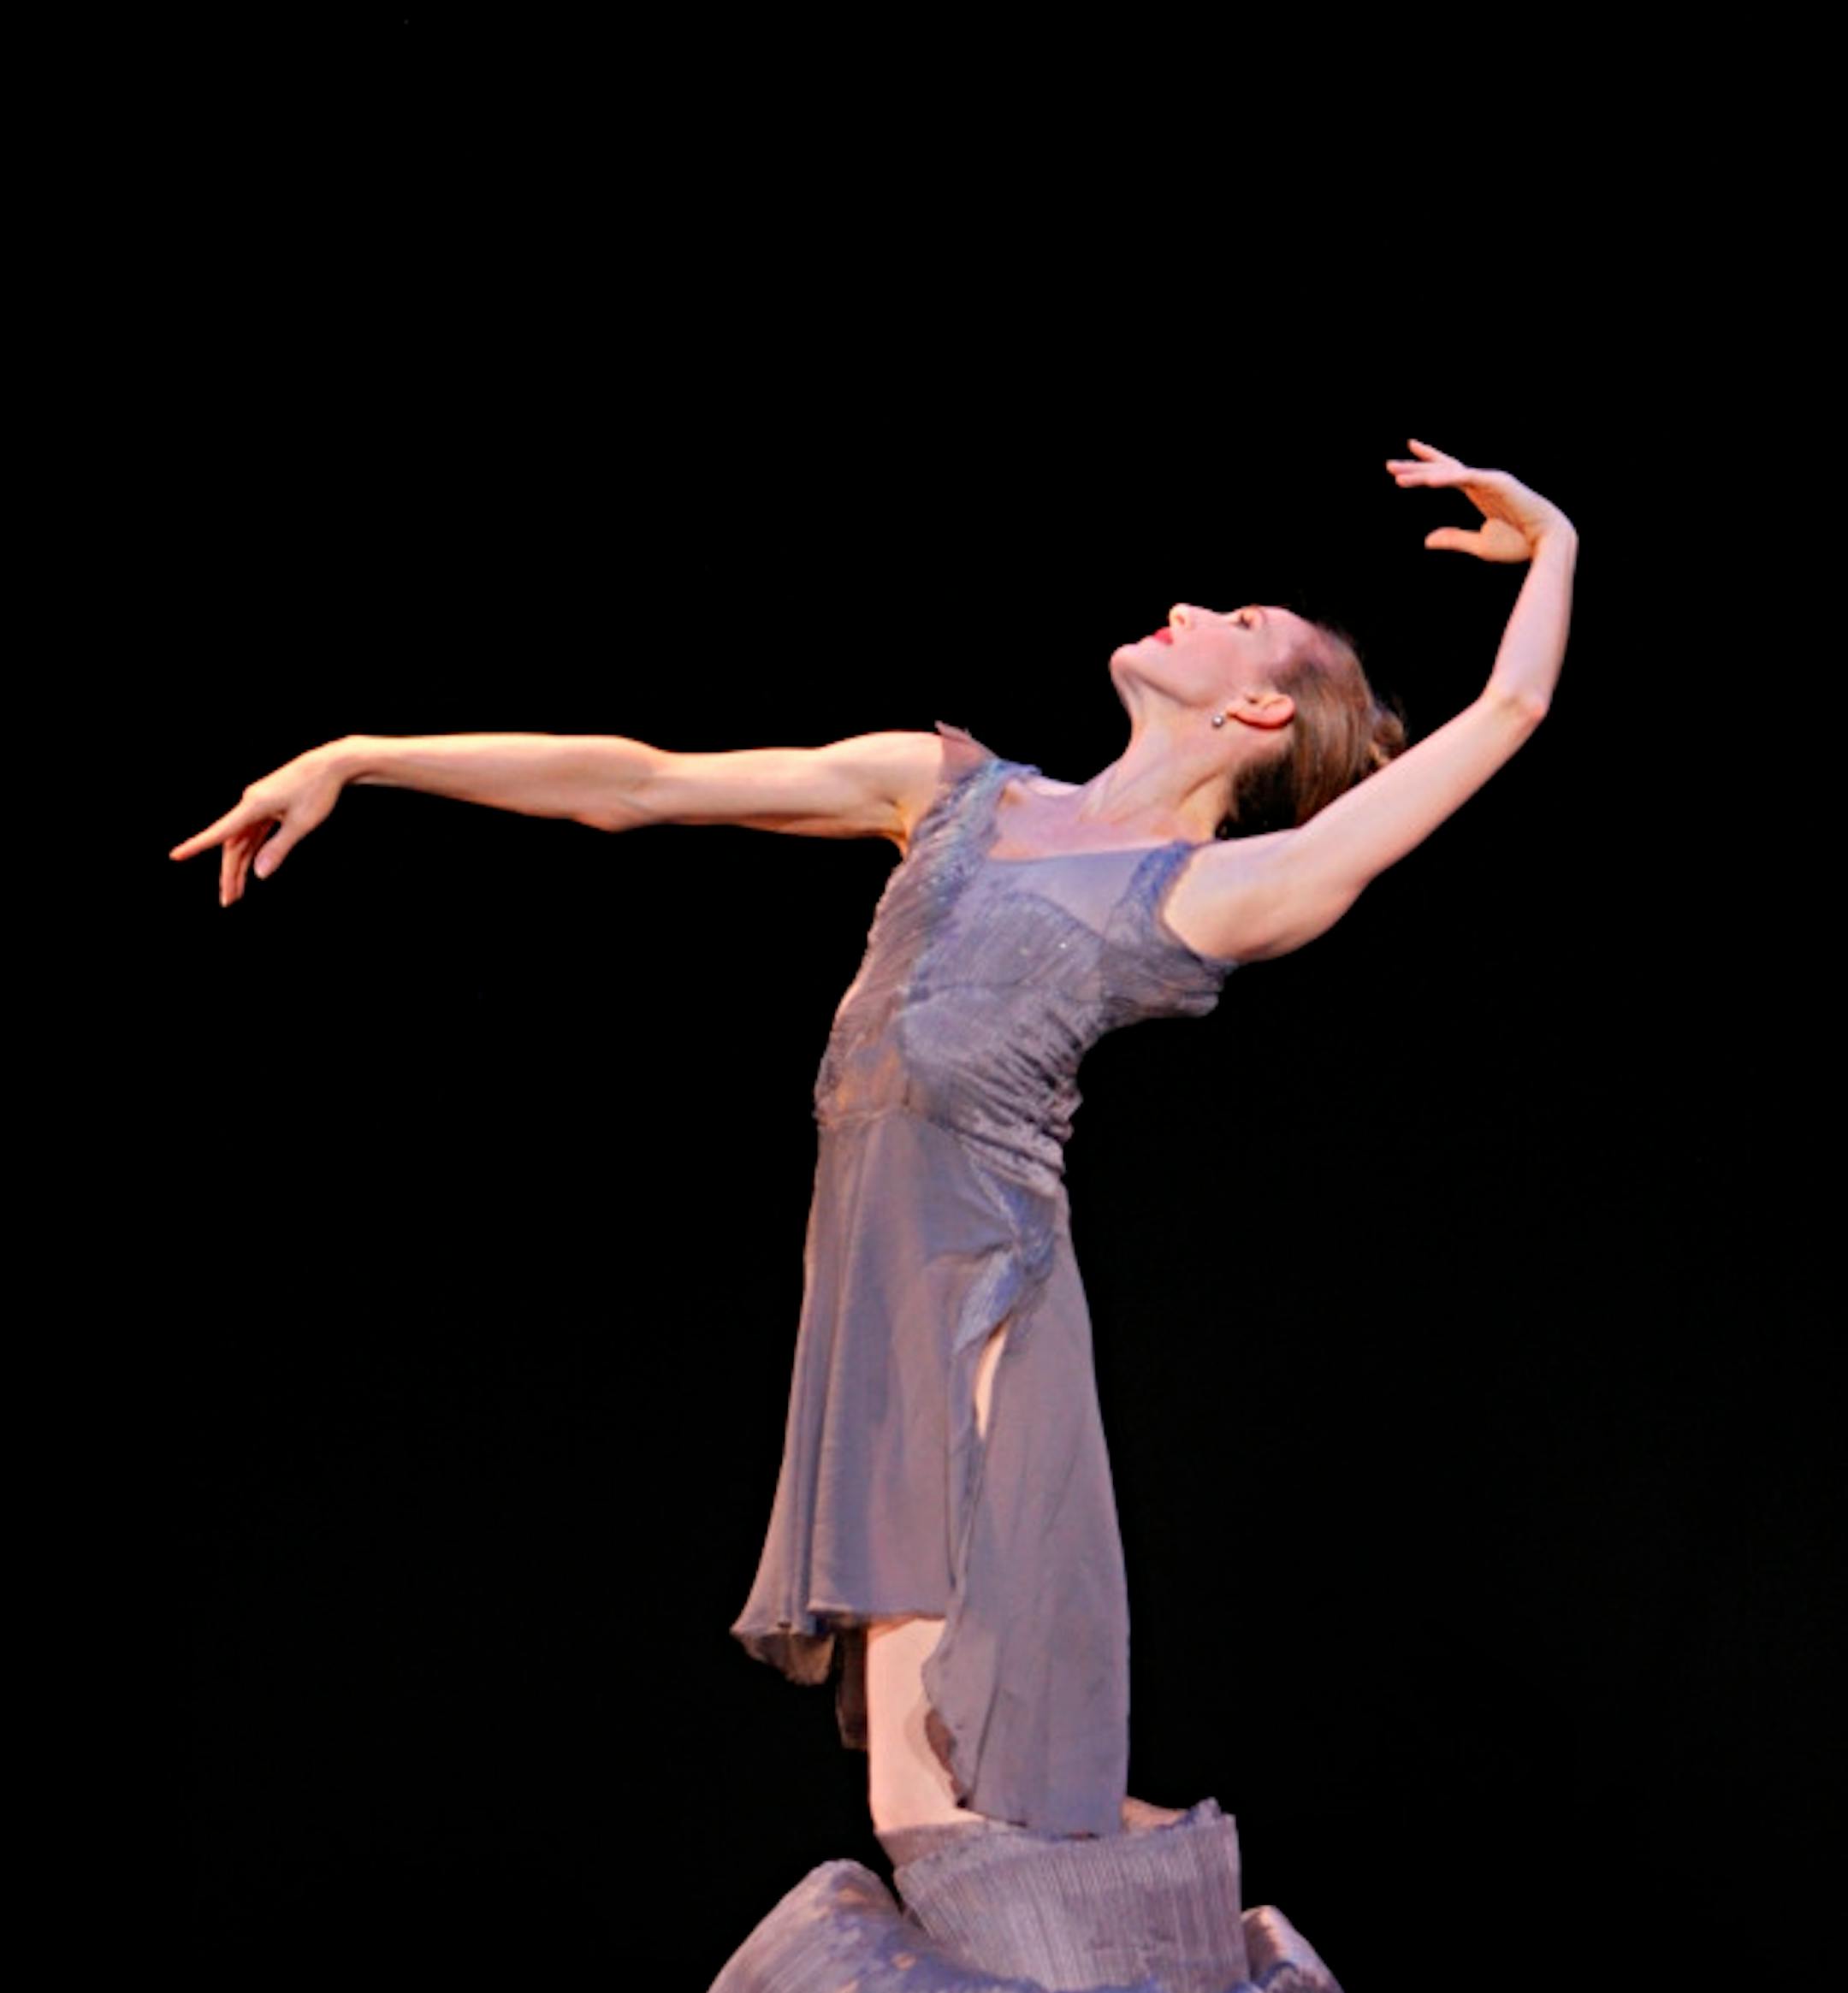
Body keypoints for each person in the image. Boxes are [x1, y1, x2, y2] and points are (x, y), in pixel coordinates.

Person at [171, 439, 1578, 1853]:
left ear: (1264, 704)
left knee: (934, 1800)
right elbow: (643, 781)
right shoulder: (953, 787)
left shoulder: (1225, 891)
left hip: (980, 1276)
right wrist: (362, 755)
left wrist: (1556, 537)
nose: (1196, 611)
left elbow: (1508, 706)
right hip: (871, 1269)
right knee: (933, 1793)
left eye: (1241, 622)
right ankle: (1089, 1884)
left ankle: (1091, 1931)